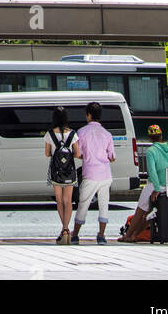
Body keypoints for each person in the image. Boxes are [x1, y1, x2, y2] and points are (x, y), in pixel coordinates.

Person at [119, 124, 168, 242]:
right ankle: (136, 235)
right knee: (151, 214)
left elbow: (152, 171)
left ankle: (129, 235)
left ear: (150, 138)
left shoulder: (151, 151)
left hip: (154, 186)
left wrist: (156, 188)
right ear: (161, 136)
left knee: (140, 212)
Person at [71, 101, 116, 245]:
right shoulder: (107, 134)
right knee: (104, 205)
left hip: (90, 173)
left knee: (83, 203)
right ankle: (101, 235)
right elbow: (112, 157)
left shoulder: (82, 132)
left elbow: (78, 154)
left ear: (89, 115)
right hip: (105, 174)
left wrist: (88, 156)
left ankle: (75, 234)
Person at [44, 105, 80, 244]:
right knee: (68, 200)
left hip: (56, 171)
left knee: (59, 200)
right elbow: (77, 154)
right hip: (70, 171)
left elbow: (47, 153)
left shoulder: (49, 134)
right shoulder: (73, 134)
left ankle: (63, 230)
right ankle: (66, 229)